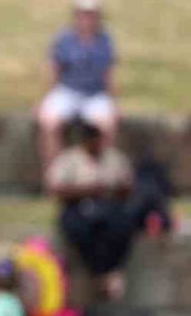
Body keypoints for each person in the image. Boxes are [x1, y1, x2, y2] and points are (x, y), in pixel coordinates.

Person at [45, 121, 134, 300]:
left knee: (121, 227)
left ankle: (110, 271)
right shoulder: (69, 159)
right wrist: (87, 190)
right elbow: (56, 189)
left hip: (109, 206)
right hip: (77, 207)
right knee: (78, 230)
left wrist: (110, 190)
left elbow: (127, 186)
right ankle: (101, 273)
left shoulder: (114, 158)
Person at [37, 0, 117, 165]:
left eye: (91, 14)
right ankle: (54, 176)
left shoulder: (105, 41)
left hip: (95, 95)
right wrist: (46, 98)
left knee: (107, 125)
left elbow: (108, 74)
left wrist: (113, 103)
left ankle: (101, 175)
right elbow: (54, 70)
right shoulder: (64, 39)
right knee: (49, 123)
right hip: (67, 91)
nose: (87, 19)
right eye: (83, 14)